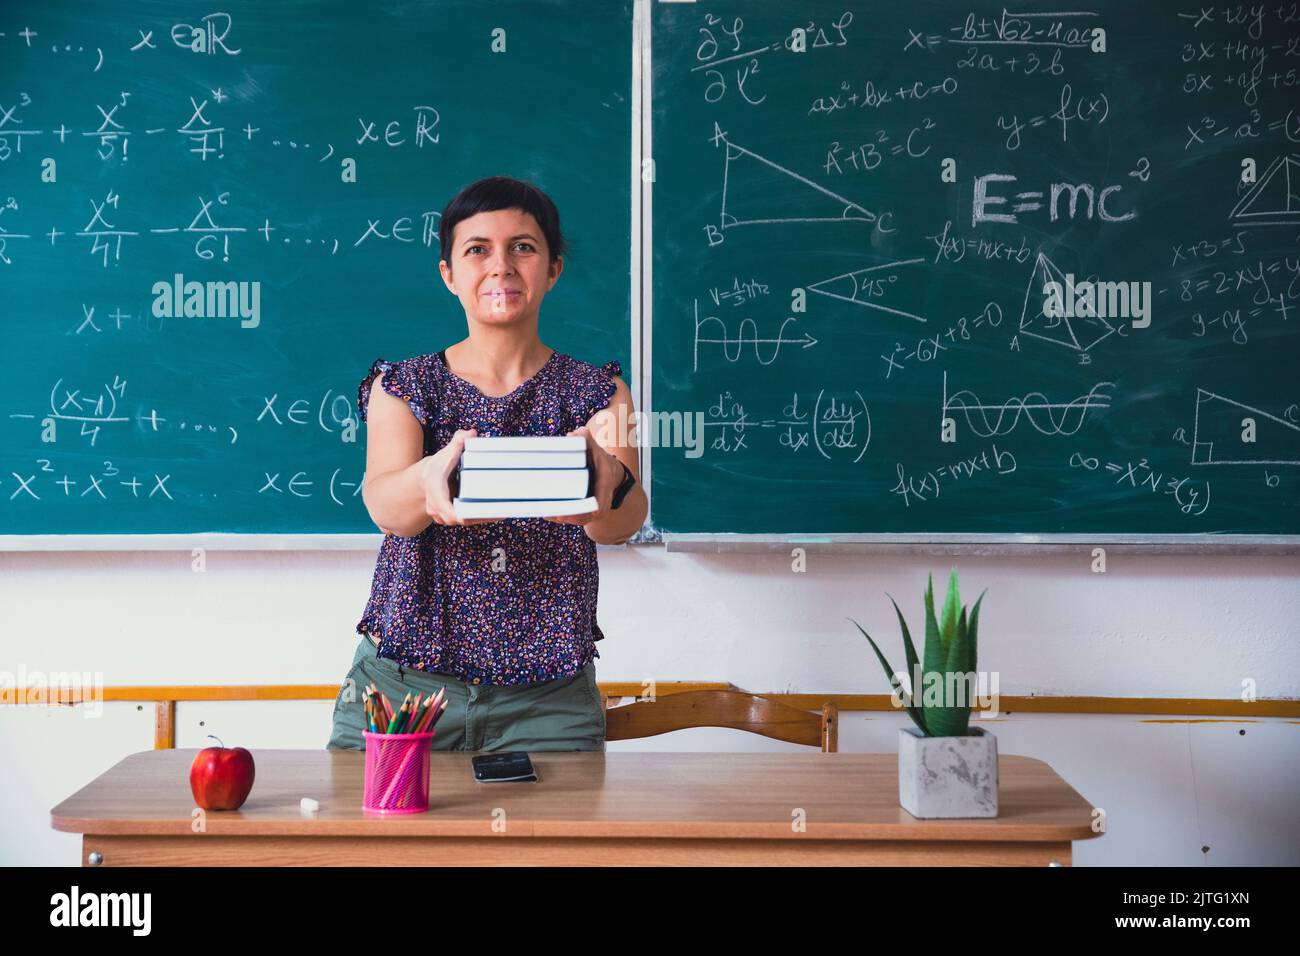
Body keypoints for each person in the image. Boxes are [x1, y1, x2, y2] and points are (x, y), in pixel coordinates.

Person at [327, 175, 646, 752]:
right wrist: (429, 482)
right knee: (369, 843)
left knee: (552, 844)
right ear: (449, 274)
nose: (501, 266)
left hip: (550, 699)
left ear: (553, 269)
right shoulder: (401, 387)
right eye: (477, 250)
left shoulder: (604, 393)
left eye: (523, 247)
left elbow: (623, 523)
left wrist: (603, 481)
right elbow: (385, 508)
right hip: (403, 688)